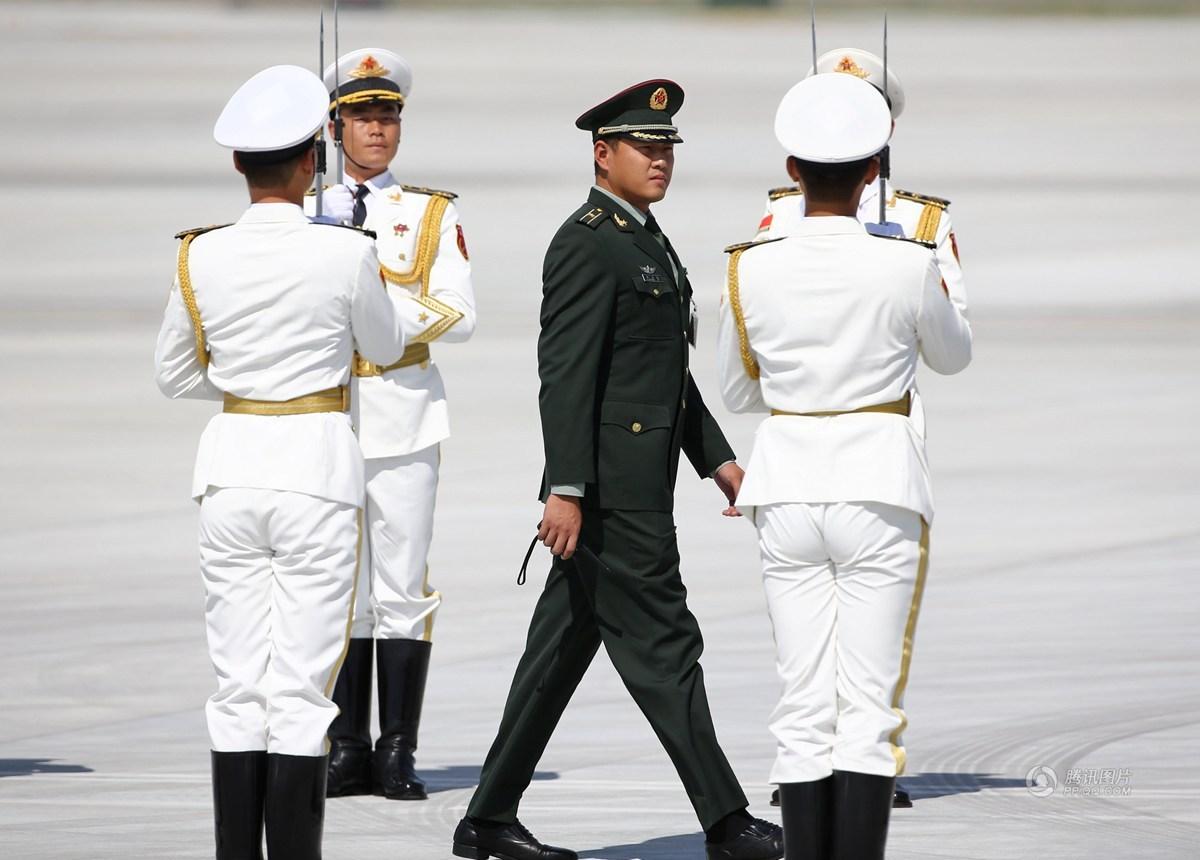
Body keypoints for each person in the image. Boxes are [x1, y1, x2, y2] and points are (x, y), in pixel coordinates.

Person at [451, 80, 783, 860]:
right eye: (646, 146)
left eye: (668, 146)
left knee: (558, 655)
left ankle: (488, 820)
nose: (661, 159)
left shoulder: (644, 237)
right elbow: (564, 374)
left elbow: (662, 370)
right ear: (604, 155)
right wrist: (564, 489)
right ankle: (727, 820)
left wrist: (718, 461)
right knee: (667, 646)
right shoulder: (587, 241)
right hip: (609, 494)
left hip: (636, 483)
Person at [154, 64, 407, 859]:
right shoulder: (344, 253)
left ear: (238, 164)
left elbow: (174, 372)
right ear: (313, 163)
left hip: (231, 467)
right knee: (299, 691)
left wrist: (246, 386)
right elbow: (388, 346)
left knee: (238, 683)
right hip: (316, 473)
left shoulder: (200, 256)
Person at [717, 73, 972, 859]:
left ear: (791, 171)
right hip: (877, 482)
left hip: (787, 481)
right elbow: (953, 357)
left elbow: (735, 388)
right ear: (873, 174)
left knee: (802, 704)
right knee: (866, 710)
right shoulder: (908, 260)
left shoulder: (748, 264)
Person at [306, 47, 477, 801]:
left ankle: (398, 748)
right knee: (337, 584)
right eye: (363, 116)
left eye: (389, 115)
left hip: (403, 409)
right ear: (334, 124)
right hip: (325, 415)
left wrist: (374, 320)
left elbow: (459, 312)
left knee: (401, 586)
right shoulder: (304, 209)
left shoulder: (429, 212)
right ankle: (344, 744)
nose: (378, 129)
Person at [754, 48, 967, 318]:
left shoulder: (922, 218)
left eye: (862, 117)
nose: (842, 127)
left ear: (888, 128)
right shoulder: (783, 208)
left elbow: (953, 336)